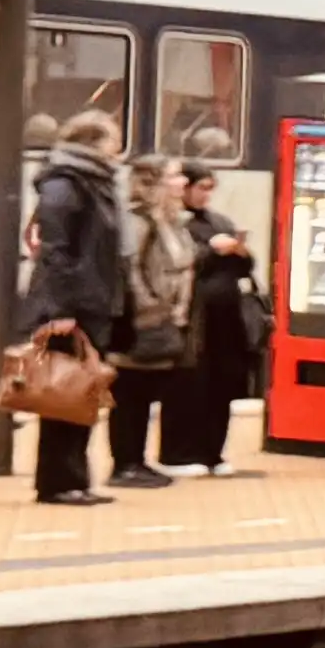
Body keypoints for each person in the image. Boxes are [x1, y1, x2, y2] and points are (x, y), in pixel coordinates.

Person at [16, 111, 134, 508]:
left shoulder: (91, 182)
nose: (118, 150)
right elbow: (56, 251)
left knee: (81, 394)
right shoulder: (65, 184)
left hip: (92, 303)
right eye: (114, 141)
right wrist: (60, 308)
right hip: (73, 305)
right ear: (95, 143)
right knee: (63, 394)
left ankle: (75, 478)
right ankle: (57, 482)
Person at [108, 152, 196, 492]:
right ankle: (124, 464)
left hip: (166, 317)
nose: (183, 182)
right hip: (141, 322)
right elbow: (130, 270)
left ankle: (137, 459)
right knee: (129, 392)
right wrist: (148, 307)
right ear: (154, 182)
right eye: (175, 175)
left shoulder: (172, 221)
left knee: (145, 392)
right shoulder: (139, 221)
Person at [172, 151, 263, 476]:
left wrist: (240, 251)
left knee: (222, 385)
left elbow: (246, 266)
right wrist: (212, 250)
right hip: (195, 317)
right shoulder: (176, 224)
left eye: (210, 188)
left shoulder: (219, 221)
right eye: (201, 188)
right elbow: (180, 263)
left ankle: (214, 452)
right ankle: (182, 453)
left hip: (226, 317)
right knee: (190, 386)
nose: (206, 195)